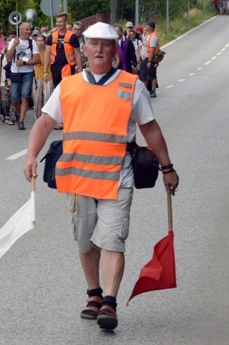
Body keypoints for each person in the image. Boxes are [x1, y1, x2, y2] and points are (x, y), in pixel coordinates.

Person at [23, 22, 179, 331]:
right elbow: (44, 123)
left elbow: (150, 128)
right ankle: (93, 293)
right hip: (79, 179)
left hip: (117, 176)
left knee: (112, 239)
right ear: (84, 48)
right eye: (93, 44)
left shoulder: (131, 85)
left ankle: (109, 302)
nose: (99, 50)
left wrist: (167, 168)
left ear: (115, 51)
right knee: (85, 240)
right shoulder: (67, 86)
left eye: (106, 45)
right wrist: (30, 155)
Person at [6, 22, 40, 130]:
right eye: (26, 30)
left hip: (27, 72)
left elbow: (37, 59)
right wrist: (14, 45)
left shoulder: (32, 43)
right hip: (15, 72)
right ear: (20, 30)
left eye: (30, 30)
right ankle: (19, 113)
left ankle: (21, 121)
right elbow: (7, 57)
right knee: (14, 98)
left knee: (24, 96)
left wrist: (25, 63)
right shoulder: (13, 41)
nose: (29, 32)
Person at [32, 29, 53, 120]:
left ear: (45, 41)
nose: (40, 43)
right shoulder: (34, 53)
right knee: (37, 98)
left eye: (41, 41)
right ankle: (37, 117)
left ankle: (46, 117)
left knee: (48, 96)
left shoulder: (49, 51)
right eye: (38, 41)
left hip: (48, 75)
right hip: (37, 76)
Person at [139, 21, 159, 98]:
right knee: (144, 76)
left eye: (147, 26)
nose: (145, 27)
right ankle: (145, 91)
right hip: (145, 58)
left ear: (150, 27)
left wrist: (150, 61)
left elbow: (152, 50)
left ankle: (153, 91)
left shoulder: (153, 37)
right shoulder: (148, 35)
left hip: (150, 59)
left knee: (151, 75)